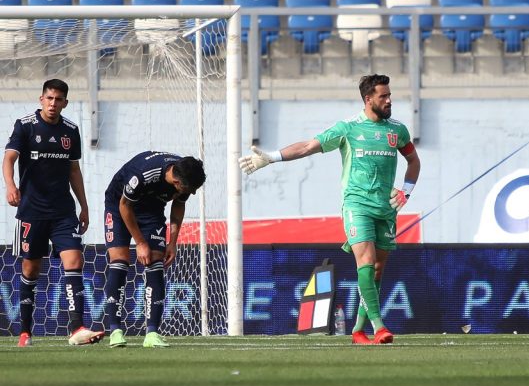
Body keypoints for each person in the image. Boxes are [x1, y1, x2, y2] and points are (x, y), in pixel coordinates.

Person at [239, 74, 421, 345]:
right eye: (383, 96)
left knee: (378, 270)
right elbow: (308, 147)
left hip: (386, 209)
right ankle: (380, 326)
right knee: (367, 262)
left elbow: (413, 161)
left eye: (389, 95)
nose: (389, 100)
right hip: (356, 205)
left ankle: (359, 331)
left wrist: (405, 191)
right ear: (368, 99)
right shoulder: (347, 128)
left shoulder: (398, 130)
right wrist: (272, 158)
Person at [3, 79, 104, 347]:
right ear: (41, 99)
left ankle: (76, 328)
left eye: (58, 99)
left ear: (65, 103)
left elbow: (74, 170)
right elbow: (9, 158)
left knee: (74, 262)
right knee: (30, 269)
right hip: (31, 212)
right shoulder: (24, 126)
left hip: (63, 213)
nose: (53, 103)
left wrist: (84, 205)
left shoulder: (70, 131)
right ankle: (25, 332)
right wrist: (11, 186)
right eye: (49, 98)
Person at [102, 151, 206, 348]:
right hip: (119, 206)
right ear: (176, 182)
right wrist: (140, 243)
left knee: (155, 261)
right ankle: (115, 330)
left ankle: (152, 334)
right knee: (120, 260)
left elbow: (178, 205)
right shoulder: (142, 174)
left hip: (151, 211)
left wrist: (173, 242)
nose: (191, 193)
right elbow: (125, 207)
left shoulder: (185, 174)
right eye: (189, 189)